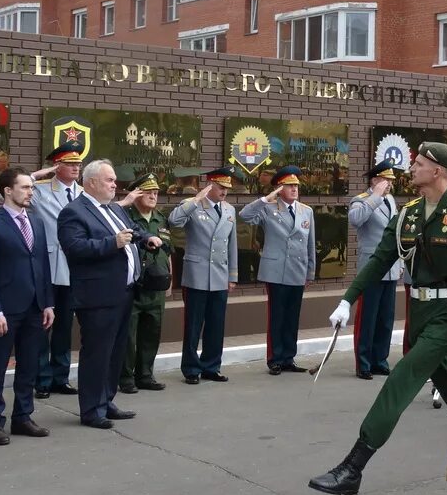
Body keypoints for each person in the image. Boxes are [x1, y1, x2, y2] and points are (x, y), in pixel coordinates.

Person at [310, 142, 447, 495]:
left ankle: (353, 468)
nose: (412, 169)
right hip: (418, 314)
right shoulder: (408, 213)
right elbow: (379, 260)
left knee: (400, 382)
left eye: (418, 163)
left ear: (438, 172)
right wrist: (347, 300)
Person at [57, 159, 162, 429]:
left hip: (124, 292)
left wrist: (146, 238)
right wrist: (111, 243)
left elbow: (133, 231)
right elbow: (74, 247)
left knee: (116, 351)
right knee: (97, 352)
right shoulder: (74, 211)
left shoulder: (114, 209)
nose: (115, 185)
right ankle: (91, 410)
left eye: (114, 180)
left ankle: (106, 400)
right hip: (97, 295)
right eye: (110, 180)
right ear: (91, 183)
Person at [0, 168, 54, 445]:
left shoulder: (37, 221)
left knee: (29, 365)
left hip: (34, 306)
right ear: (8, 191)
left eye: (31, 187)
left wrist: (48, 303)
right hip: (5, 309)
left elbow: (42, 264)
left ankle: (23, 416)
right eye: (25, 187)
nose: (31, 192)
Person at [239, 165, 316, 375]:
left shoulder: (306, 210)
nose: (294, 189)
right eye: (289, 185)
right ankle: (275, 358)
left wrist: (310, 271)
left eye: (296, 185)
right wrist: (266, 198)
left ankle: (289, 357)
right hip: (276, 270)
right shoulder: (268, 209)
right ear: (279, 189)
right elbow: (245, 215)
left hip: (297, 270)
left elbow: (310, 244)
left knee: (292, 317)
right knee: (277, 316)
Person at [169, 167, 238, 385]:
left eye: (227, 187)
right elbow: (174, 221)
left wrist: (232, 275)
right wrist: (195, 200)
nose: (224, 191)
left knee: (216, 324)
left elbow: (232, 245)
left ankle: (211, 366)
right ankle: (191, 368)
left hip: (219, 274)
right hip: (197, 274)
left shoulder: (229, 210)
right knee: (193, 325)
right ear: (208, 186)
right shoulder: (193, 205)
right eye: (220, 187)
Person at [32, 142, 85, 400]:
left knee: (65, 326)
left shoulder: (84, 193)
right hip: (48, 266)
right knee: (43, 324)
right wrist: (35, 176)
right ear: (57, 166)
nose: (76, 167)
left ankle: (60, 377)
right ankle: (41, 378)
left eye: (78, 163)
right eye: (70, 163)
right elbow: (7, 193)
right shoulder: (41, 190)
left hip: (74, 268)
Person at [348, 159, 402, 379]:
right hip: (371, 266)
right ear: (375, 180)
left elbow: (396, 234)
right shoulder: (361, 200)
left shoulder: (391, 200)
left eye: (390, 180)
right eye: (385, 180)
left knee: (385, 318)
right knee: (367, 317)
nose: (389, 184)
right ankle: (364, 363)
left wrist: (401, 263)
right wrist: (375, 197)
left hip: (390, 267)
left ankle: (380, 359)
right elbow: (355, 220)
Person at [120, 174, 173, 393]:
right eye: (148, 192)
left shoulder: (161, 218)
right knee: (129, 335)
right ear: (137, 193)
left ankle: (145, 375)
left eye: (155, 192)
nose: (153, 196)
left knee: (152, 332)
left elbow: (168, 251)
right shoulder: (125, 217)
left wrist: (170, 281)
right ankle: (125, 378)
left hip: (157, 286)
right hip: (134, 286)